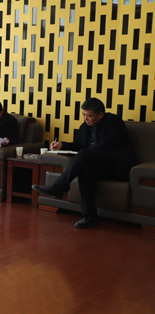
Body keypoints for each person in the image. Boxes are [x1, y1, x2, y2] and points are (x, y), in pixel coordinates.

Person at [32, 97, 138, 228]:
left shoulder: (113, 121)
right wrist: (63, 145)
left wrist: (89, 153)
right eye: (83, 114)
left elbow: (112, 142)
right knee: (86, 172)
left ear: (100, 115)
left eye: (89, 116)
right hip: (99, 166)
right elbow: (78, 145)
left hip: (117, 165)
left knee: (84, 154)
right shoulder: (85, 127)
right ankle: (90, 217)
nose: (85, 118)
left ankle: (58, 187)